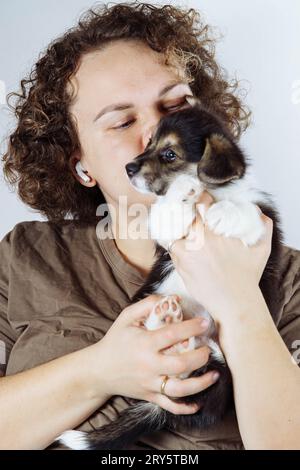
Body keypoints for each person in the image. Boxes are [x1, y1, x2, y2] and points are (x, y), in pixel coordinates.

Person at [0, 2, 299, 450]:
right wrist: (101, 370)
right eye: (122, 121)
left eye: (177, 104)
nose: (160, 132)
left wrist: (240, 305)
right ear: (80, 165)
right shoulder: (25, 257)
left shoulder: (290, 277)